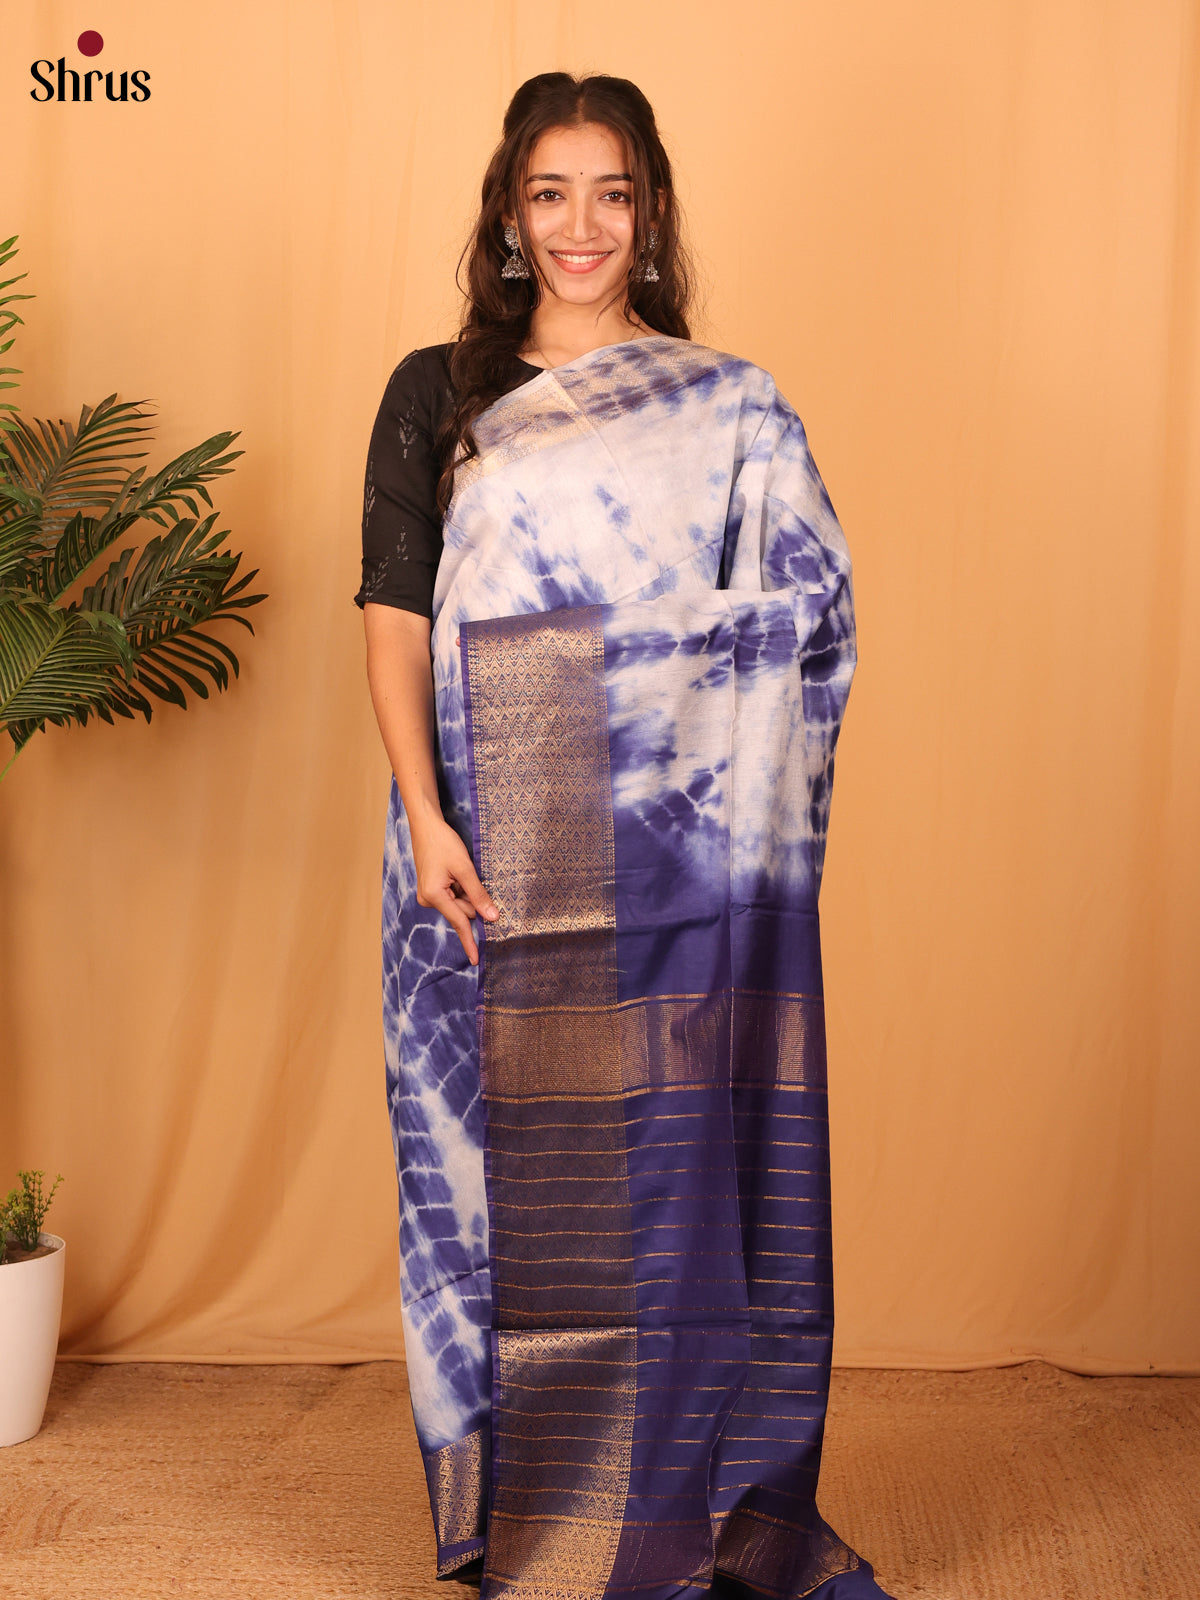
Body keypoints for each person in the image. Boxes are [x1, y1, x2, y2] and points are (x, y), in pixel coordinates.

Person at [357, 70, 894, 1600]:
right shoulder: (436, 391)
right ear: (510, 215)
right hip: (477, 847)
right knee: (484, 1193)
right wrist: (425, 812)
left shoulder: (730, 407)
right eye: (550, 194)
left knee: (666, 1181)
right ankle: (516, 1524)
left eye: (612, 192)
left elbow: (808, 623)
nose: (581, 225)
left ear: (650, 211)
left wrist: (660, 705)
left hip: (672, 870)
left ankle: (668, 1524)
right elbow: (396, 616)